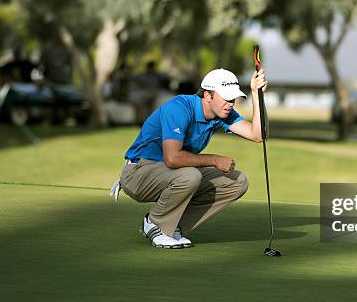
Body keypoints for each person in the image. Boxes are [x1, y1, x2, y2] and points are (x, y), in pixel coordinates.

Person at [111, 67, 268, 249]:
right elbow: (172, 158)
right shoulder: (179, 108)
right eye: (226, 97)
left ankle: (173, 226)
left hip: (171, 172)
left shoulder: (221, 113)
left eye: (233, 98)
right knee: (191, 176)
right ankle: (156, 224)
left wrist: (257, 95)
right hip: (138, 173)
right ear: (208, 95)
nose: (231, 103)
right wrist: (215, 160)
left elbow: (258, 135)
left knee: (237, 181)